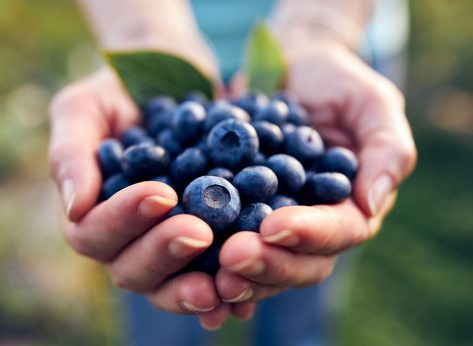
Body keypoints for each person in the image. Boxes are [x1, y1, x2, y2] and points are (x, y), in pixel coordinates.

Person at [48, 0, 417, 344]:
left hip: (338, 46)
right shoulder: (180, 154)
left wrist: (319, 28)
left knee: (299, 275)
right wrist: (140, 33)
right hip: (158, 30)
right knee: (167, 274)